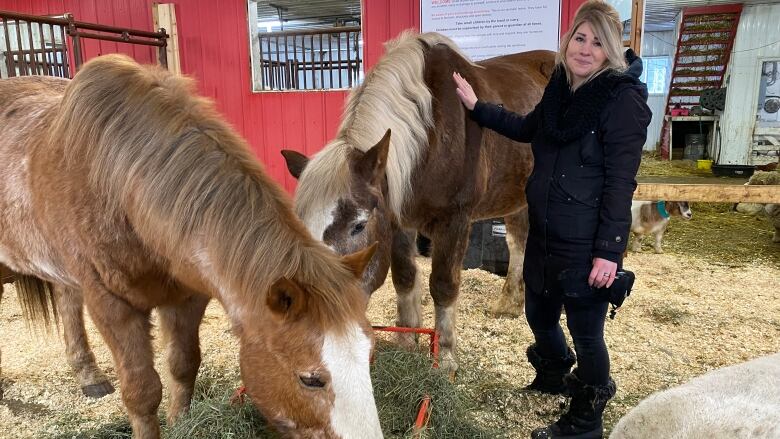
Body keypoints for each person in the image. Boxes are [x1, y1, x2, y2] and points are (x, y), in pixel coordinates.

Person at [453, 1, 651, 438]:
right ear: (568, 41)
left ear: (612, 49)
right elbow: (525, 128)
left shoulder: (623, 101)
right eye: (580, 38)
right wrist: (476, 105)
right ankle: (552, 378)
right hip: (544, 230)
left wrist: (609, 253)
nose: (585, 49)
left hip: (585, 240)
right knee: (539, 315)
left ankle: (585, 420)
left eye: (598, 42)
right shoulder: (560, 88)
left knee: (586, 333)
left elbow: (621, 183)